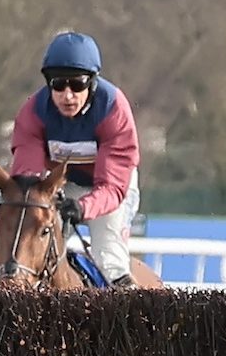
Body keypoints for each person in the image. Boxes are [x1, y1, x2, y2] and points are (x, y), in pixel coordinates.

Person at [8, 30, 141, 287]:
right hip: (62, 185)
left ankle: (132, 318)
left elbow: (112, 187)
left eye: (77, 84)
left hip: (112, 188)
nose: (67, 95)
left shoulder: (114, 109)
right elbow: (29, 179)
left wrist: (82, 208)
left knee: (109, 256)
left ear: (92, 82)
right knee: (31, 238)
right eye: (58, 84)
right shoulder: (33, 112)